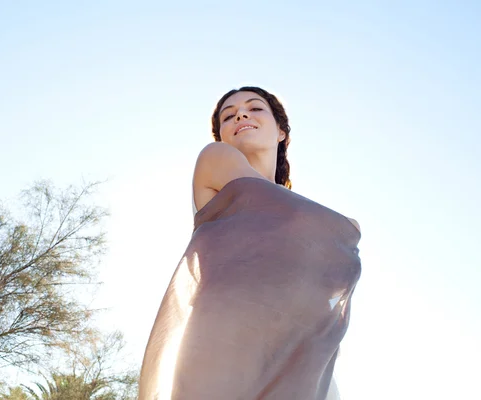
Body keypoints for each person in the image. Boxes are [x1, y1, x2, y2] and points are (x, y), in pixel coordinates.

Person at [139, 86, 361, 400]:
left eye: (255, 108)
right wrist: (345, 230)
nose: (241, 114)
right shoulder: (217, 159)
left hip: (297, 358)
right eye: (228, 116)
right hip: (225, 346)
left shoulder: (307, 219)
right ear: (222, 137)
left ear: (281, 131)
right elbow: (292, 215)